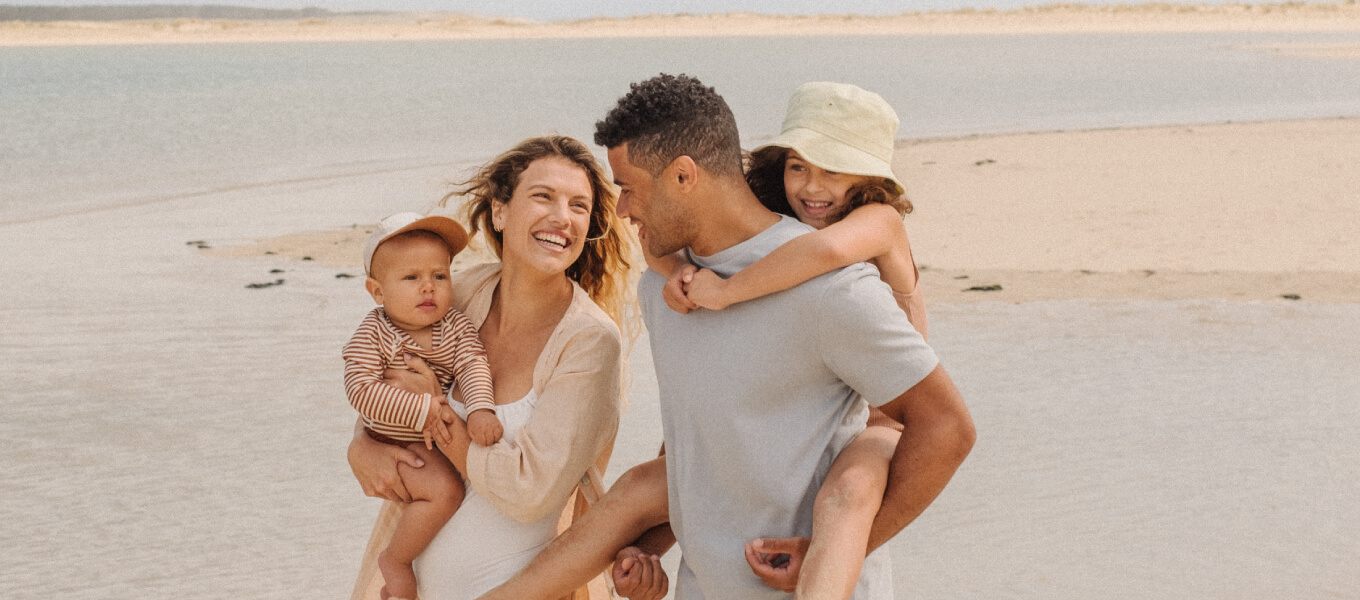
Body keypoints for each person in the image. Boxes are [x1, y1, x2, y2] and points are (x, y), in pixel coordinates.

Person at [481, 74, 974, 600]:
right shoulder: (664, 292)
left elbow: (946, 428)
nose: (621, 208)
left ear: (683, 176)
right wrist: (651, 543)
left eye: (629, 187)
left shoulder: (831, 290)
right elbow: (704, 448)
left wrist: (843, 548)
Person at [660, 81, 930, 599]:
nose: (811, 186)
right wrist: (675, 268)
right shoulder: (778, 228)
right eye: (798, 166)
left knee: (848, 496)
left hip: (885, 418)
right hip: (831, 411)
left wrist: (727, 291)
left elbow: (824, 254)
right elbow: (667, 234)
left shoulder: (880, 221)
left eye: (833, 169)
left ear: (869, 178)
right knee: (659, 474)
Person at [346, 135, 635, 600]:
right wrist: (361, 444)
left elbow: (529, 493)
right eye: (543, 196)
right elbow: (383, 378)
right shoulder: (459, 292)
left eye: (579, 206)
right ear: (500, 211)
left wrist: (441, 418)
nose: (562, 217)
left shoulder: (588, 342)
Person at [343, 211, 501, 600]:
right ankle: (396, 561)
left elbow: (473, 363)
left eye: (439, 276)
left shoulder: (455, 327)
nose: (428, 288)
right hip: (392, 439)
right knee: (444, 491)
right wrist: (422, 410)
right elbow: (360, 389)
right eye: (411, 278)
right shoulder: (375, 332)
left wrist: (482, 408)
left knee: (455, 488)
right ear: (378, 292)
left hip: (435, 439)